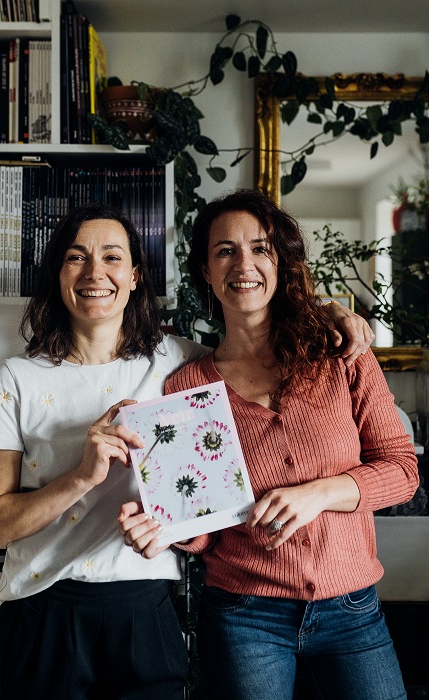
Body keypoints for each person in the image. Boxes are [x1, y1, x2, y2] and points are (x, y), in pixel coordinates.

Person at [0, 201, 373, 700]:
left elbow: (254, 344)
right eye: (76, 257)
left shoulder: (181, 365)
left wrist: (328, 313)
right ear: (58, 274)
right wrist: (80, 477)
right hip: (42, 608)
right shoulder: (15, 378)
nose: (95, 272)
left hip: (146, 608)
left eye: (112, 257)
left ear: (135, 276)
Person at [119, 189, 419, 700]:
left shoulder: (340, 353)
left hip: (353, 610)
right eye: (225, 251)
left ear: (281, 262)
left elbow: (403, 471)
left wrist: (318, 494)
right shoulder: (188, 386)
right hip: (244, 617)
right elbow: (206, 529)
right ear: (206, 271)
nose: (244, 264)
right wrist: (165, 527)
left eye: (260, 248)